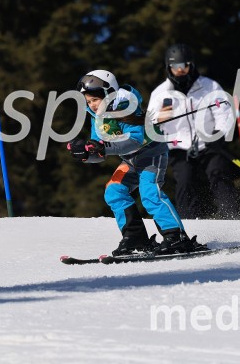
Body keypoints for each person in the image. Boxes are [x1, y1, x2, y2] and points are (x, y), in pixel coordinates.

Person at [68, 69, 205, 256]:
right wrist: (85, 154)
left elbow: (135, 141)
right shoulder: (96, 117)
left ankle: (176, 237)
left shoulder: (127, 106)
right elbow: (99, 150)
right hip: (130, 161)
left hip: (151, 156)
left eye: (95, 100)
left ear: (109, 94)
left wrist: (103, 147)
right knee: (114, 190)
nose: (92, 105)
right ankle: (135, 238)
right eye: (88, 101)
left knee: (149, 194)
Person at [147, 44, 240, 219]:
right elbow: (151, 123)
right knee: (185, 181)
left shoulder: (209, 86)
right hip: (178, 146)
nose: (180, 71)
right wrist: (158, 122)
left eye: (184, 66)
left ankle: (234, 217)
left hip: (209, 142)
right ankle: (189, 223)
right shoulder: (161, 93)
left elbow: (223, 112)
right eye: (175, 67)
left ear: (191, 65)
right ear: (168, 68)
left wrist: (219, 133)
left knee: (218, 174)